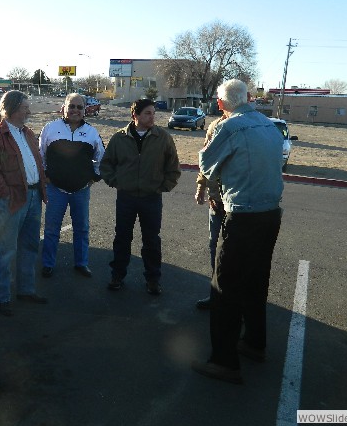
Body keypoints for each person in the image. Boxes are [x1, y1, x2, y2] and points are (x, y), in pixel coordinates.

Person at [192, 79, 283, 384]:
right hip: (271, 215)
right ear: (249, 98)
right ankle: (255, 344)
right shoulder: (269, 125)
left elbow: (206, 162)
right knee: (256, 281)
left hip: (242, 216)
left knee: (225, 289)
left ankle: (224, 361)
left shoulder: (229, 127)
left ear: (221, 104)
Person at [100, 98, 181, 295]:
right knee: (122, 238)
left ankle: (153, 279)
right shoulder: (120, 138)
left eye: (153, 113)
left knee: (151, 240)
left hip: (151, 198)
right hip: (126, 197)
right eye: (147, 113)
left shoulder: (162, 137)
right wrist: (115, 181)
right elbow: (106, 164)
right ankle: (117, 275)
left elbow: (173, 167)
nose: (152, 117)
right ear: (135, 115)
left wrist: (163, 186)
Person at [0, 90, 48, 317]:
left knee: (29, 246)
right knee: (7, 249)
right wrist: (5, 194)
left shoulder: (28, 133)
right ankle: (3, 297)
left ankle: (26, 290)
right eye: (25, 107)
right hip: (12, 199)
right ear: (11, 109)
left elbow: (36, 162)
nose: (29, 110)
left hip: (34, 197)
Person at [39, 93, 105, 279]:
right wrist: (46, 177)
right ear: (64, 107)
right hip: (55, 189)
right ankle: (48, 263)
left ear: (85, 110)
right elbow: (40, 155)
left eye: (79, 107)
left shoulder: (92, 132)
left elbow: (102, 158)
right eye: (72, 106)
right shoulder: (50, 128)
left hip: (81, 191)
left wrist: (94, 178)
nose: (75, 110)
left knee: (81, 228)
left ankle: (81, 263)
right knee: (51, 229)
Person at [193, 111, 228, 309]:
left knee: (235, 252)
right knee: (215, 248)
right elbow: (206, 159)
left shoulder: (244, 126)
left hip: (239, 206)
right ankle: (216, 295)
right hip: (216, 202)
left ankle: (233, 301)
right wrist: (201, 188)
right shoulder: (214, 126)